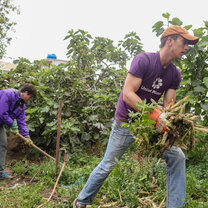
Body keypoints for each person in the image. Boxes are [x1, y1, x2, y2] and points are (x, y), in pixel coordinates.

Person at [73, 25, 199, 208]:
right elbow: (128, 94)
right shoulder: (144, 60)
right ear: (170, 41)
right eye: (184, 42)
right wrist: (153, 114)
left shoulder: (175, 74)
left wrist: (170, 120)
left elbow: (168, 105)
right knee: (108, 164)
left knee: (177, 157)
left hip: (151, 126)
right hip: (126, 123)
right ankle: (81, 201)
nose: (187, 47)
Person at [0, 83, 37, 180]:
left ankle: (0, 173)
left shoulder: (21, 105)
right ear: (25, 93)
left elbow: (21, 122)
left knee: (3, 145)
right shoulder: (7, 94)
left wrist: (26, 137)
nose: (30, 99)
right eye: (30, 96)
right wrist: (11, 123)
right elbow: (2, 113)